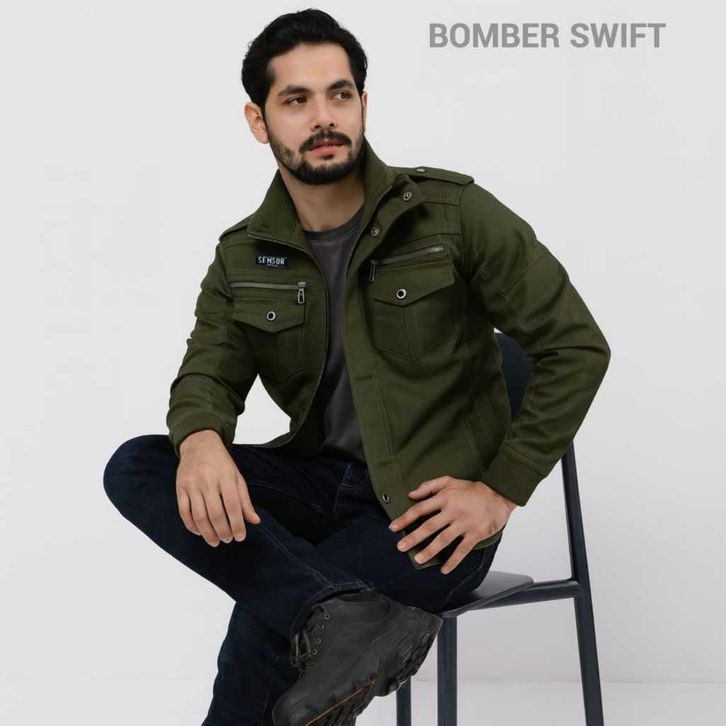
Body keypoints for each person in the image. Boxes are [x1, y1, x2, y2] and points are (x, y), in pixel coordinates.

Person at [103, 8, 611, 726]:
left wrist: (501, 490)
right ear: (258, 121)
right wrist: (202, 439)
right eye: (296, 99)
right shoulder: (244, 254)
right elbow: (207, 373)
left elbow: (576, 345)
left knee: (267, 626)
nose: (323, 117)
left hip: (431, 511)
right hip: (319, 483)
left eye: (339, 94)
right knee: (140, 464)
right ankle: (339, 612)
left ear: (363, 104)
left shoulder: (453, 214)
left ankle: (324, 613)